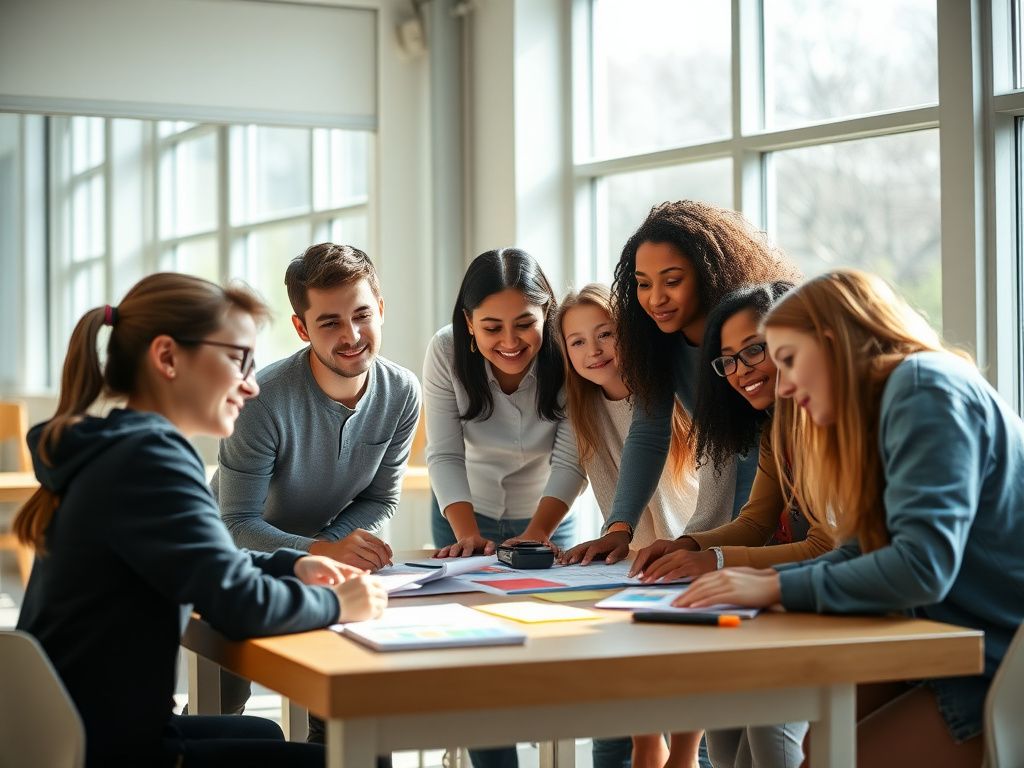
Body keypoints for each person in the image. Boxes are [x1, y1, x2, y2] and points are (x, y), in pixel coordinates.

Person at [14, 273, 387, 767]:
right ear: (167, 357)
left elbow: (205, 563)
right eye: (237, 360)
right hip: (108, 748)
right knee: (361, 760)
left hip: (77, 728)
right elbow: (237, 604)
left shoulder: (121, 445)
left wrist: (291, 565)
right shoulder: (150, 459)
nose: (251, 385)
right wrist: (337, 604)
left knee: (263, 733)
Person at [677, 269, 1024, 768]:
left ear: (832, 342)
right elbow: (865, 551)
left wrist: (773, 586)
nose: (786, 386)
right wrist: (760, 583)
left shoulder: (922, 388)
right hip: (950, 640)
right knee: (815, 748)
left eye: (788, 360)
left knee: (825, 755)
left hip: (996, 657)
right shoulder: (891, 404)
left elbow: (921, 567)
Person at [211, 243, 420, 742]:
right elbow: (235, 523)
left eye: (362, 315)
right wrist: (322, 551)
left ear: (380, 309)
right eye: (330, 323)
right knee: (223, 709)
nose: (352, 336)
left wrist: (336, 548)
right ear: (302, 328)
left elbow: (380, 498)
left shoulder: (402, 392)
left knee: (343, 709)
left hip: (324, 567)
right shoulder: (260, 401)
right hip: (238, 564)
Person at [630, 281, 828, 768]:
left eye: (754, 350)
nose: (741, 371)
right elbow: (755, 521)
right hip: (779, 606)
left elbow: (827, 545)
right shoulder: (777, 428)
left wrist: (715, 560)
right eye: (728, 361)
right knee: (721, 738)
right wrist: (688, 543)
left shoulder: (824, 424)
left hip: (815, 610)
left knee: (768, 733)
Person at [563, 201, 800, 566]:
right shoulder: (656, 342)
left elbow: (758, 459)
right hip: (753, 520)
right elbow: (648, 432)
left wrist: (719, 553)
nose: (656, 298)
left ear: (708, 273)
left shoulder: (751, 334)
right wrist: (619, 528)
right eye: (643, 284)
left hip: (792, 504)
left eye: (672, 281)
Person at [424, 248, 588, 768]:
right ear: (469, 323)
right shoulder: (446, 350)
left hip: (550, 514)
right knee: (476, 658)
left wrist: (540, 531)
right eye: (492, 327)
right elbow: (443, 453)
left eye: (525, 324)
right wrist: (467, 535)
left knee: (551, 650)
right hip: (463, 511)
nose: (510, 342)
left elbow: (572, 458)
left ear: (547, 315)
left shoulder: (570, 352)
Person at [554, 283, 699, 768]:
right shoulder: (582, 406)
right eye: (577, 341)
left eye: (605, 334)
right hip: (631, 557)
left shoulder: (665, 394)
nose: (593, 350)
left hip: (688, 549)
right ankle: (649, 745)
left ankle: (684, 753)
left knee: (685, 665)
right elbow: (579, 474)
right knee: (634, 660)